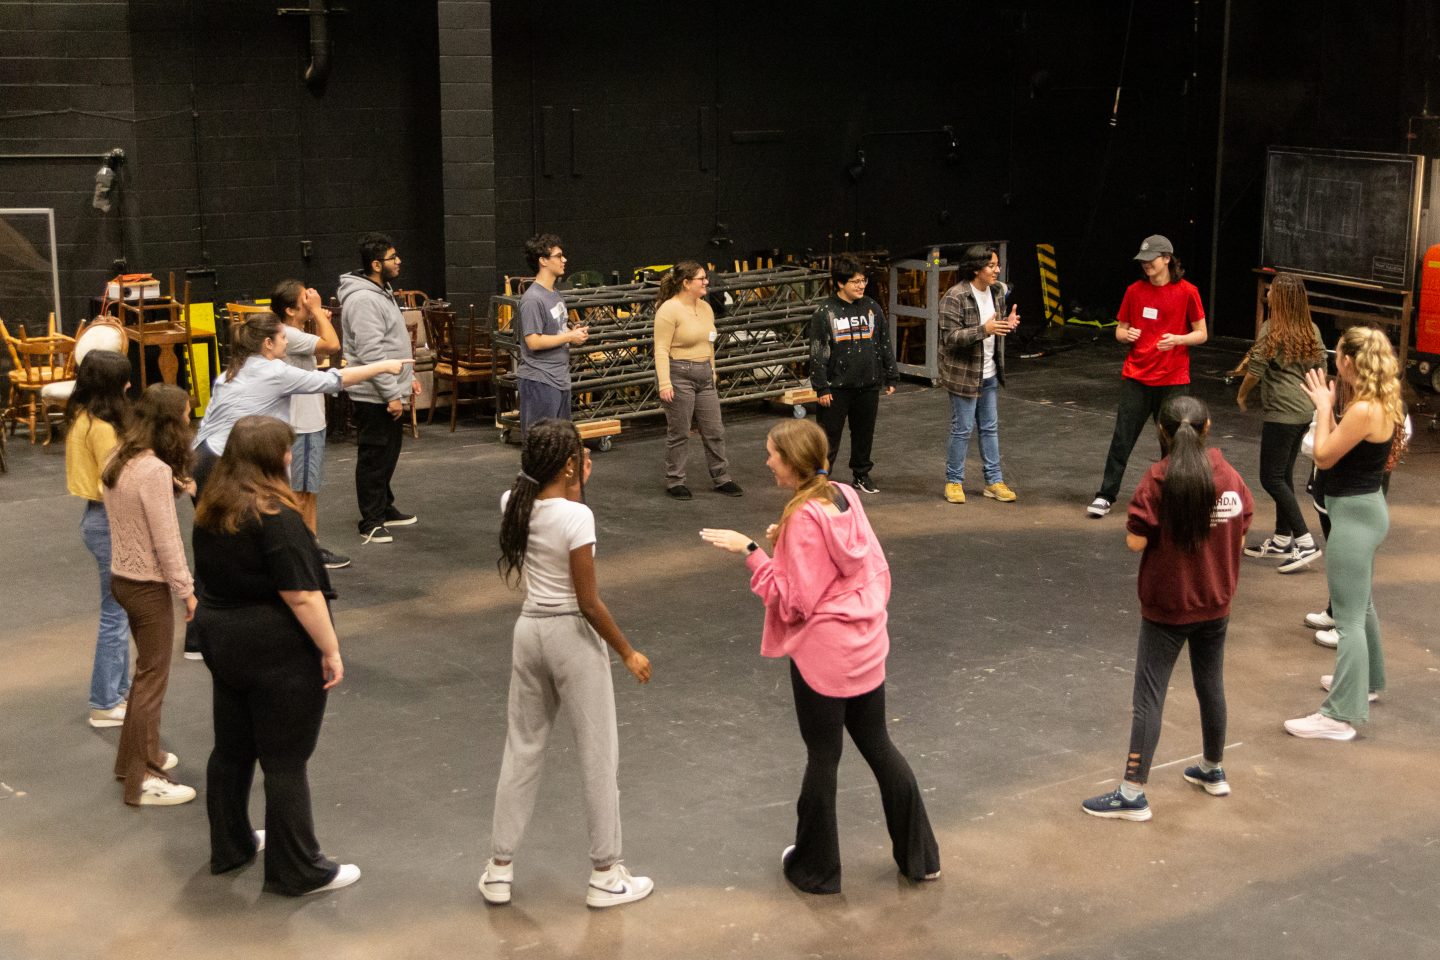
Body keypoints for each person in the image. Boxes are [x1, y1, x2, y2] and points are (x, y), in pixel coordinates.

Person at [700, 419, 940, 893]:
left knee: (823, 758)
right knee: (879, 746)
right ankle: (921, 858)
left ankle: (817, 870)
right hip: (866, 646)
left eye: (771, 454)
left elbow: (794, 601)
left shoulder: (803, 518)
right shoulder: (843, 495)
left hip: (824, 656)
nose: (766, 461)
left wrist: (751, 550)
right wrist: (785, 544)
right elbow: (860, 563)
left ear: (790, 462)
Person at [480, 418, 654, 909]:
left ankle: (499, 868)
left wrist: (573, 484)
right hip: (571, 639)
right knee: (599, 756)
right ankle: (606, 874)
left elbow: (544, 506)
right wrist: (627, 651)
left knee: (522, 749)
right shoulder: (578, 518)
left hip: (529, 633)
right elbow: (589, 602)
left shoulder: (511, 504)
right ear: (571, 464)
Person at [193, 415, 359, 896]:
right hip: (275, 651)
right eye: (286, 450)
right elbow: (302, 596)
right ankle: (298, 870)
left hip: (222, 641)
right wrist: (331, 650)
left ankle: (232, 845)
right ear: (272, 458)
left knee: (232, 747)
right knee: (285, 761)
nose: (291, 456)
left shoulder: (212, 506)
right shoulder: (275, 517)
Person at [1081, 396, 1252, 821]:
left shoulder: (1158, 479)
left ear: (1162, 432)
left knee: (1149, 697)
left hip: (1168, 607)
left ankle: (1133, 792)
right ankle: (1213, 770)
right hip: (1216, 602)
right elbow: (1242, 532)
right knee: (1210, 684)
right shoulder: (1228, 475)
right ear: (1208, 426)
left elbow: (1136, 540)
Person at [1284, 327, 1404, 741]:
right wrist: (1331, 408)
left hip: (1353, 517)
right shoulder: (1381, 401)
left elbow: (1324, 455)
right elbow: (1339, 444)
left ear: (1348, 362)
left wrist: (1321, 407)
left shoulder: (1364, 409)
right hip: (1365, 511)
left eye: (1338, 356)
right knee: (1362, 604)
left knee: (1348, 619)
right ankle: (1367, 683)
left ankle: (1338, 716)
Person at [100, 384, 197, 806]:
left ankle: (135, 759)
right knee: (152, 681)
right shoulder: (154, 470)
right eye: (187, 414)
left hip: (121, 579)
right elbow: (166, 540)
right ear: (172, 422)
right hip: (148, 587)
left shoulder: (121, 458)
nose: (191, 420)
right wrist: (187, 591)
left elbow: (136, 514)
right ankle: (143, 781)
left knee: (144, 679)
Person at [1088, 235, 1208, 518]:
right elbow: (1120, 330)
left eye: (1151, 260)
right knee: (1122, 437)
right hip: (1137, 377)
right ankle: (1106, 495)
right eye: (1142, 261)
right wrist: (1124, 334)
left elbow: (1201, 333)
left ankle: (1172, 499)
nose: (1146, 266)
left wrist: (1178, 339)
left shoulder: (1188, 291)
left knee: (1174, 442)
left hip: (1174, 381)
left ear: (1167, 258)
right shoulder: (1134, 291)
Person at [1235, 273, 1326, 573]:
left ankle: (1304, 541)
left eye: (1272, 290)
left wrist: (1242, 395)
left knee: (1270, 477)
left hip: (1282, 414)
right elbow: (1321, 367)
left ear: (1282, 298)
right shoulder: (1311, 329)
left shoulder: (1271, 329)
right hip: (1303, 412)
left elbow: (1256, 368)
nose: (1269, 293)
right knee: (1283, 475)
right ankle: (1281, 539)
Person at [338, 233, 421, 545]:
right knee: (374, 456)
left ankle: (384, 508)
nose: (398, 261)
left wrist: (406, 378)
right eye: (392, 257)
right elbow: (372, 353)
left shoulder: (380, 291)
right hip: (373, 394)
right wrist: (391, 394)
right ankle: (370, 521)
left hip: (388, 388)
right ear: (376, 264)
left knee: (389, 453)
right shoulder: (363, 299)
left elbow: (391, 344)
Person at [64, 350, 133, 728]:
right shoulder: (103, 428)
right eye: (125, 380)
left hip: (98, 518)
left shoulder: (82, 417)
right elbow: (118, 480)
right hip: (108, 520)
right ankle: (105, 701)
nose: (129, 386)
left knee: (118, 611)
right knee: (115, 614)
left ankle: (116, 694)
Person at [271, 279, 350, 570]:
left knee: (308, 489)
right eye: (306, 299)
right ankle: (305, 551)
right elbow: (332, 345)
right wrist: (318, 313)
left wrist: (317, 318)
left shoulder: (293, 333)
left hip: (308, 422)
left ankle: (308, 546)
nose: (311, 299)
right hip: (302, 425)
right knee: (301, 492)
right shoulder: (289, 333)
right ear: (291, 310)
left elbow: (321, 354)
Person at [809, 256, 899, 494]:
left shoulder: (872, 308)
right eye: (855, 281)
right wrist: (821, 387)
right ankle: (819, 480)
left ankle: (861, 475)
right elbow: (818, 352)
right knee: (828, 437)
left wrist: (891, 375)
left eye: (863, 280)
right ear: (840, 283)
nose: (861, 286)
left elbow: (884, 343)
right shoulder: (825, 312)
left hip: (868, 384)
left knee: (864, 433)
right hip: (836, 387)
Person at [654, 260, 743, 500]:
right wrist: (665, 383)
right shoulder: (668, 310)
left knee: (714, 429)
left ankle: (722, 477)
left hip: (704, 373)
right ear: (686, 283)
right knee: (680, 431)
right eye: (701, 279)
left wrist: (712, 370)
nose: (707, 282)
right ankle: (675, 481)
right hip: (679, 373)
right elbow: (661, 349)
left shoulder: (706, 308)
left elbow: (709, 343)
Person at [937, 244, 1019, 504]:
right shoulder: (956, 296)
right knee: (962, 428)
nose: (997, 270)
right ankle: (953, 480)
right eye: (991, 265)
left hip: (989, 372)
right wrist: (985, 329)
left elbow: (996, 326)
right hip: (964, 374)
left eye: (997, 265)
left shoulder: (996, 292)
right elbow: (950, 337)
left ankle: (994, 481)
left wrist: (1008, 324)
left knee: (989, 428)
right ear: (975, 268)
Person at [516, 234, 588, 438]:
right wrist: (569, 337)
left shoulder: (554, 294)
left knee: (559, 443)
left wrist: (574, 333)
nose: (564, 260)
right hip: (540, 380)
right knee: (540, 444)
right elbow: (533, 341)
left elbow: (555, 331)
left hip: (559, 378)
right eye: (558, 256)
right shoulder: (532, 299)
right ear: (543, 260)